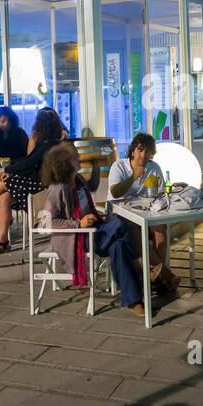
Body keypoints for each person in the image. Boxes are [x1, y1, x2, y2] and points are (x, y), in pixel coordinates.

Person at [41, 142, 154, 317]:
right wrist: (78, 223)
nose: (79, 158)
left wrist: (94, 218)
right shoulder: (58, 189)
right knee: (120, 224)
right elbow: (47, 223)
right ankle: (139, 266)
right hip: (76, 238)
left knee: (119, 246)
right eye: (74, 157)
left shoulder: (77, 181)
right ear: (64, 163)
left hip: (94, 232)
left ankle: (133, 301)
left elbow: (89, 198)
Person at [0, 107, 67, 255]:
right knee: (3, 198)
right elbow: (29, 160)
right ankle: (2, 242)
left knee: (2, 183)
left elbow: (30, 161)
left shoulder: (51, 143)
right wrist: (10, 170)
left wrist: (7, 170)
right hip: (35, 182)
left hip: (44, 187)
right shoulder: (46, 142)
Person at [107, 132, 174, 284]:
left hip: (146, 213)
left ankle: (157, 277)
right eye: (140, 149)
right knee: (136, 230)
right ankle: (164, 274)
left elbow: (161, 193)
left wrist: (172, 189)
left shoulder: (153, 167)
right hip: (120, 215)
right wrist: (134, 177)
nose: (143, 154)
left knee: (160, 227)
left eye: (148, 151)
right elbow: (115, 192)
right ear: (132, 151)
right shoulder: (119, 166)